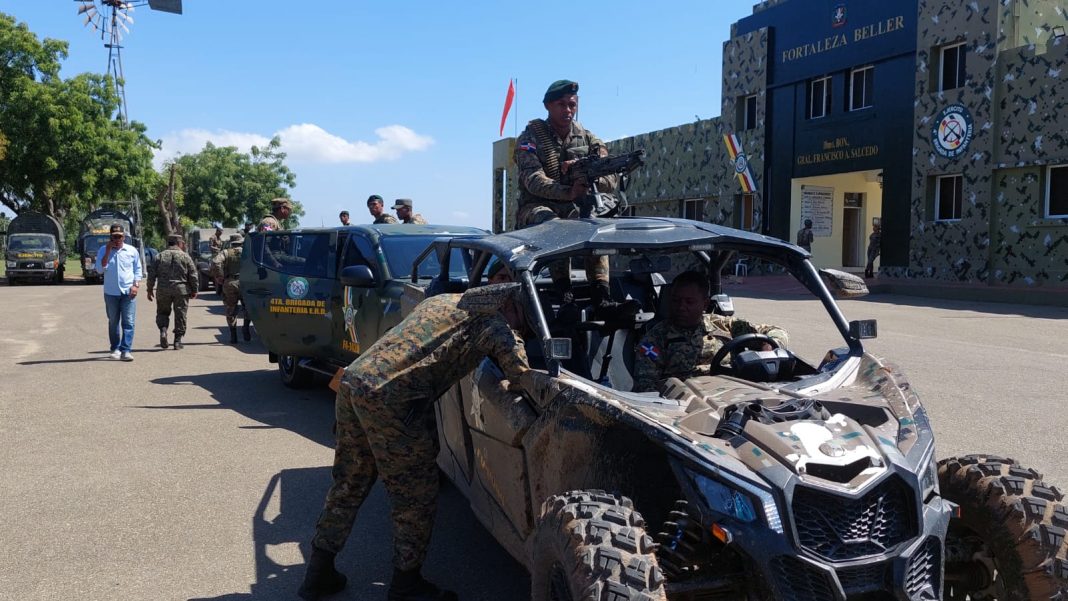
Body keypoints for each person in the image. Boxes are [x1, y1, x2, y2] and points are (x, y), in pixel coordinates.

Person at [300, 284, 530, 601]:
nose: (518, 325)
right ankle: (406, 586)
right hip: (391, 400)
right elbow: (523, 378)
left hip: (355, 380)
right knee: (415, 496)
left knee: (349, 481)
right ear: (511, 307)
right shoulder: (495, 327)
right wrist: (518, 343)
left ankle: (318, 573)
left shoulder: (442, 301)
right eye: (521, 319)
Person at [513, 79, 630, 316]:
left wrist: (590, 179)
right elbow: (532, 179)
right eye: (561, 104)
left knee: (594, 227)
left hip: (575, 205)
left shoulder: (589, 140)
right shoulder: (530, 138)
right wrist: (568, 191)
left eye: (572, 105)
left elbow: (610, 178)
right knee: (556, 226)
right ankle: (564, 296)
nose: (568, 110)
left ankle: (601, 296)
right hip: (536, 206)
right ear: (547, 106)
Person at [632, 271, 789, 393]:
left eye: (689, 302)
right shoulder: (655, 338)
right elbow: (646, 385)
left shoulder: (723, 325)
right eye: (676, 301)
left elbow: (776, 331)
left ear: (705, 303)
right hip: (686, 401)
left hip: (736, 392)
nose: (681, 307)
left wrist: (768, 348)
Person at [95, 223, 144, 361]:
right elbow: (99, 269)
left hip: (128, 292)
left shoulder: (131, 250)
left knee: (129, 322)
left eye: (120, 237)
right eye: (114, 237)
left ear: (124, 237)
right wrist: (108, 251)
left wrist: (136, 285)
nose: (117, 239)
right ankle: (115, 348)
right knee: (113, 321)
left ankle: (126, 350)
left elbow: (138, 270)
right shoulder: (103, 250)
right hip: (111, 292)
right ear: (110, 237)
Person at [147, 235, 199, 350]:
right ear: (179, 243)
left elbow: (151, 275)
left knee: (162, 313)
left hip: (163, 290)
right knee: (180, 315)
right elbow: (193, 275)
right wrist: (195, 290)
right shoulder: (185, 256)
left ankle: (163, 331)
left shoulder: (159, 256)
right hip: (181, 290)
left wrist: (149, 289)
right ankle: (177, 341)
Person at [211, 234, 250, 344]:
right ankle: (246, 327)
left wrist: (219, 276)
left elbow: (215, 262)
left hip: (230, 282)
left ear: (231, 242)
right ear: (241, 242)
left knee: (231, 309)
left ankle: (233, 335)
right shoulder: (247, 252)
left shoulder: (226, 252)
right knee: (248, 307)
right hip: (246, 283)